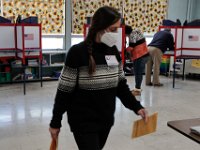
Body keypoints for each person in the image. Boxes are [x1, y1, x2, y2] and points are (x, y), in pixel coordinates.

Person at [49, 6, 148, 150]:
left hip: (105, 121)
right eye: (113, 29)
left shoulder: (113, 51)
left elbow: (120, 86)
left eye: (118, 29)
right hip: (83, 122)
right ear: (100, 27)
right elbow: (64, 91)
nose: (116, 34)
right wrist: (55, 122)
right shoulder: (77, 53)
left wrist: (137, 107)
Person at [125, 25, 149, 96]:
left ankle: (137, 90)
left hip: (140, 56)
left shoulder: (132, 34)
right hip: (144, 54)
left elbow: (131, 47)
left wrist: (124, 51)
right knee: (138, 73)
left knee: (138, 73)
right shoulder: (136, 31)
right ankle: (137, 89)